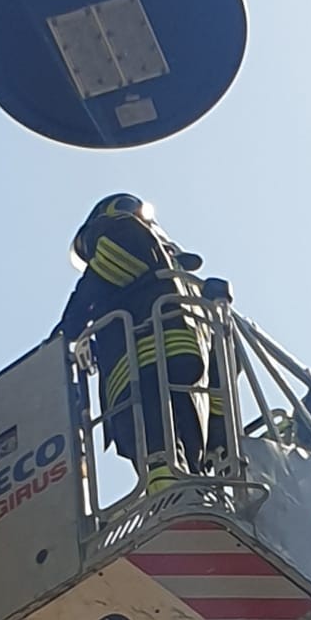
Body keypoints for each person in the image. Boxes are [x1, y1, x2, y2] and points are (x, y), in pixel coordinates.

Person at [56, 194, 210, 492]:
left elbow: (98, 280)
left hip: (139, 358)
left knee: (149, 426)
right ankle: (190, 485)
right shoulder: (184, 283)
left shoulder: (118, 229)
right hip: (183, 361)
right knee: (181, 429)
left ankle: (168, 485)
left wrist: (65, 334)